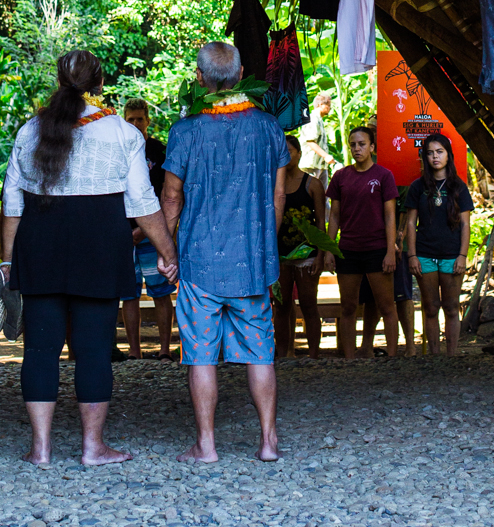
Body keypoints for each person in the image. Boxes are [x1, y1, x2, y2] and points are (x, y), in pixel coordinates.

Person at [0, 50, 178, 467]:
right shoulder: (121, 133)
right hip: (99, 243)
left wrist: (8, 261)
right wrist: (169, 253)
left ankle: (41, 449)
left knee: (40, 349)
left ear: (59, 82)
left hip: (40, 243)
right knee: (95, 348)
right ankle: (92, 448)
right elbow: (142, 202)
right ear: (99, 85)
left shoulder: (30, 131)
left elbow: (12, 202)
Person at [161, 41, 289, 463]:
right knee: (260, 351)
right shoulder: (270, 128)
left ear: (200, 80)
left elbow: (172, 198)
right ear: (241, 76)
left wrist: (168, 251)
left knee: (200, 354)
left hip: (199, 261)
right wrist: (264, 246)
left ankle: (207, 445)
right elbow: (278, 194)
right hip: (252, 261)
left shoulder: (185, 132)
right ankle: (268, 441)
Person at [328, 123, 398, 360]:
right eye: (353, 145)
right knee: (348, 307)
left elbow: (390, 215)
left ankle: (392, 356)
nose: (357, 149)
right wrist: (329, 249)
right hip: (348, 249)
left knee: (386, 305)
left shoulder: (383, 176)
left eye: (362, 144)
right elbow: (334, 215)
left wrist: (390, 251)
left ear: (372, 147)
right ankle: (349, 359)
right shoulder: (340, 177)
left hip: (377, 248)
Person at [405, 132, 473, 354]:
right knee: (431, 307)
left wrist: (462, 256)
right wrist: (412, 255)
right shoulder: (417, 187)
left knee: (452, 307)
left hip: (452, 255)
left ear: (448, 155)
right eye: (430, 153)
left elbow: (465, 225)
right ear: (425, 157)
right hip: (424, 254)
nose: (435, 157)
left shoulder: (459, 187)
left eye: (440, 152)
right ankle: (435, 357)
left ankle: (451, 356)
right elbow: (411, 222)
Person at [120, 98, 175, 360]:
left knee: (160, 291)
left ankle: (164, 349)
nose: (134, 123)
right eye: (130, 119)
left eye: (139, 119)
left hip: (153, 235)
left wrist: (144, 231)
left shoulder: (159, 151)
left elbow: (170, 195)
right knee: (129, 294)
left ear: (147, 121)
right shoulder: (115, 149)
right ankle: (134, 350)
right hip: (122, 236)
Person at [274, 134, 326, 359]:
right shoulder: (272, 185)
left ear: (299, 153)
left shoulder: (312, 184)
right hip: (280, 256)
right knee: (281, 306)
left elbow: (321, 224)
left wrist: (321, 256)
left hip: (307, 255)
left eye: (289, 151)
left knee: (308, 304)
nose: (285, 156)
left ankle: (314, 355)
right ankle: (282, 353)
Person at [299, 90, 336, 175]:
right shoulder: (313, 119)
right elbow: (310, 142)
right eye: (328, 105)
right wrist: (326, 156)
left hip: (319, 165)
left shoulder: (319, 120)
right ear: (320, 105)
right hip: (310, 165)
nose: (329, 108)